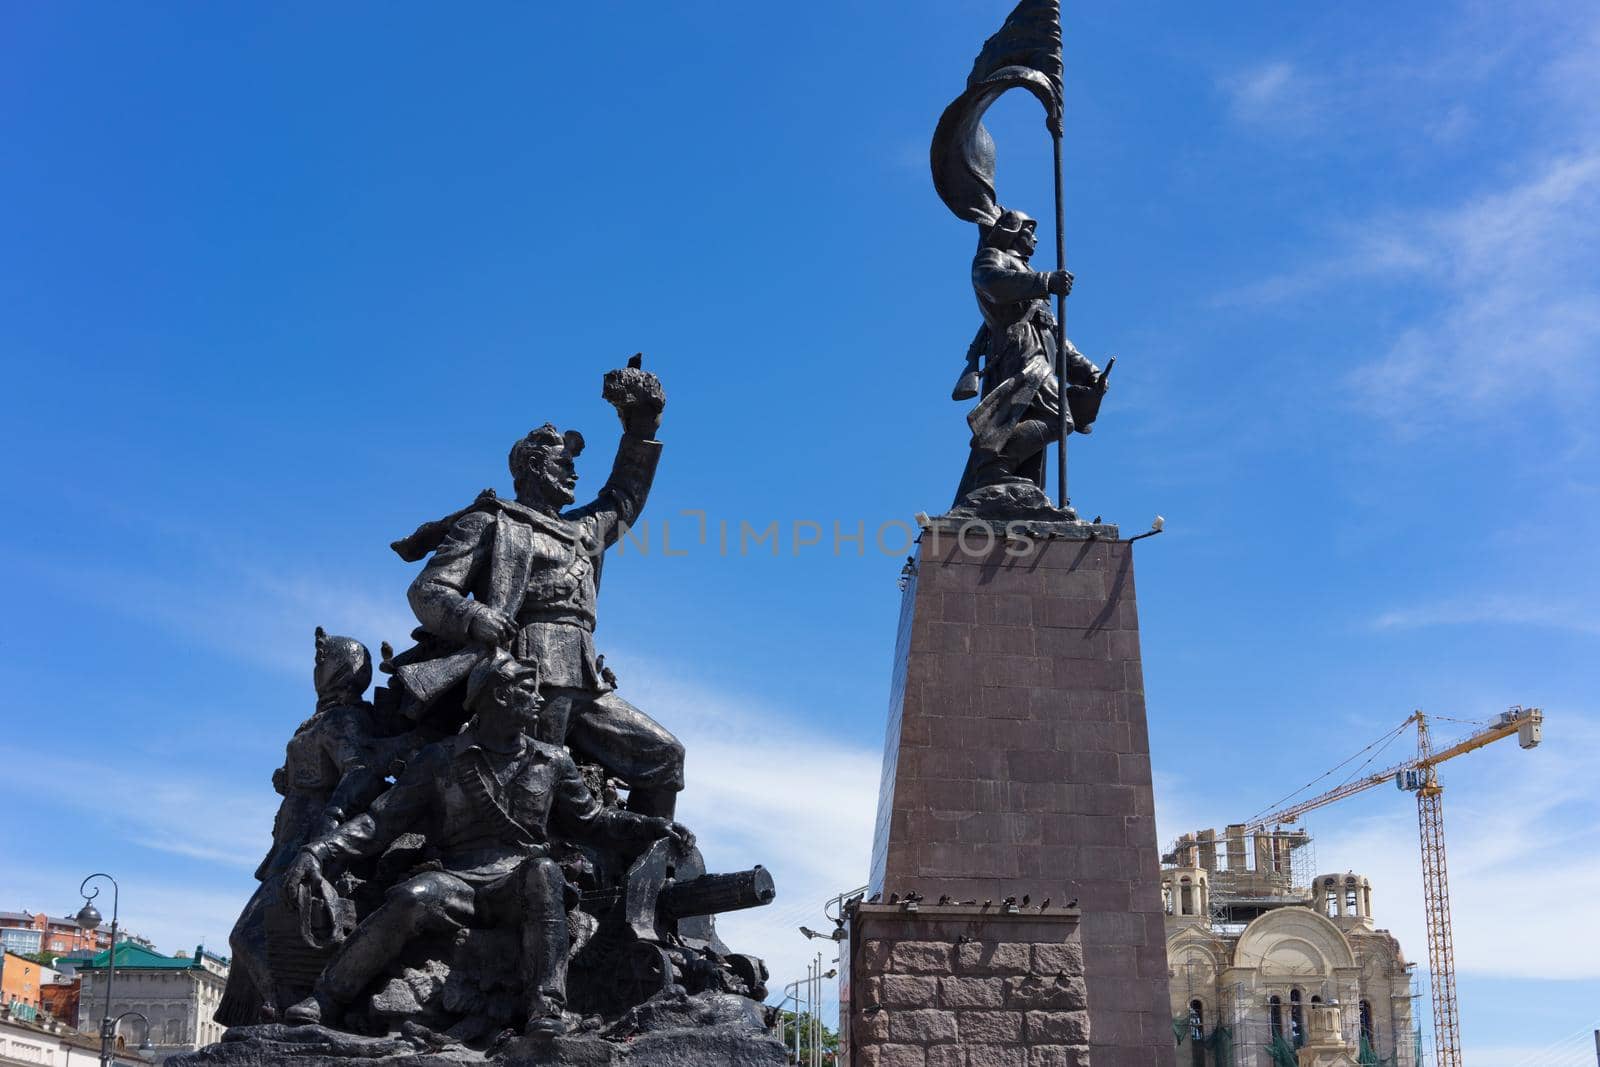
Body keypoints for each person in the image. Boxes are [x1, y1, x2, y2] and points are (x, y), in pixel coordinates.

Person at [281, 651, 691, 1037]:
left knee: (544, 874)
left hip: (517, 881)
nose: (537, 700)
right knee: (413, 896)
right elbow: (379, 821)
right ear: (498, 695)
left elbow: (593, 821)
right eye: (527, 691)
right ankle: (326, 996)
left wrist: (651, 825)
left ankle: (546, 1006)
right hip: (455, 878)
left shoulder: (552, 762)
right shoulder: (441, 759)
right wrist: (319, 850)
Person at [388, 364, 685, 819]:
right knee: (536, 786)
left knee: (664, 755)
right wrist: (473, 617)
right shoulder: (490, 522)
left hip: (583, 676)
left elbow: (624, 495)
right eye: (563, 464)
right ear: (530, 466)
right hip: (522, 674)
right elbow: (428, 589)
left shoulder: (583, 530)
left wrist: (642, 424)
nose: (573, 474)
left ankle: (646, 857)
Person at [218, 629, 399, 1024]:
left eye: (322, 661)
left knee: (247, 934)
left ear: (342, 667)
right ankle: (275, 1010)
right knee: (263, 930)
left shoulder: (343, 720)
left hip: (309, 839)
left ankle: (284, 1007)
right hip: (289, 838)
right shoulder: (325, 718)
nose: (316, 669)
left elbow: (359, 772)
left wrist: (330, 819)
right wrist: (292, 778)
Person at [952, 208, 1103, 511]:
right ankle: (994, 464)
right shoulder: (993, 257)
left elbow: (1056, 337)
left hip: (1040, 355)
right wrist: (1045, 280)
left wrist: (1088, 372)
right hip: (1018, 355)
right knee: (1060, 418)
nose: (1034, 239)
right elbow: (990, 281)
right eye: (1028, 231)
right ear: (1013, 230)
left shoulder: (1032, 281)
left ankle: (997, 469)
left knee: (1057, 419)